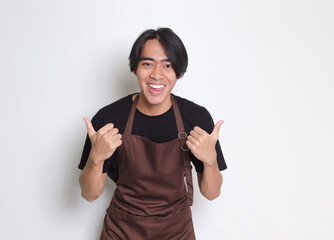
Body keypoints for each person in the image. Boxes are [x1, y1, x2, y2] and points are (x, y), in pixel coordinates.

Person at [78, 27, 227, 240]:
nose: (157, 74)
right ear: (134, 69)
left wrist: (211, 161)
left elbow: (212, 194)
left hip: (177, 232)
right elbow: (89, 194)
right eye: (147, 63)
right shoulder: (109, 119)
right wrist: (96, 159)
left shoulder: (196, 119)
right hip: (122, 232)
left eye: (167, 65)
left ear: (180, 72)